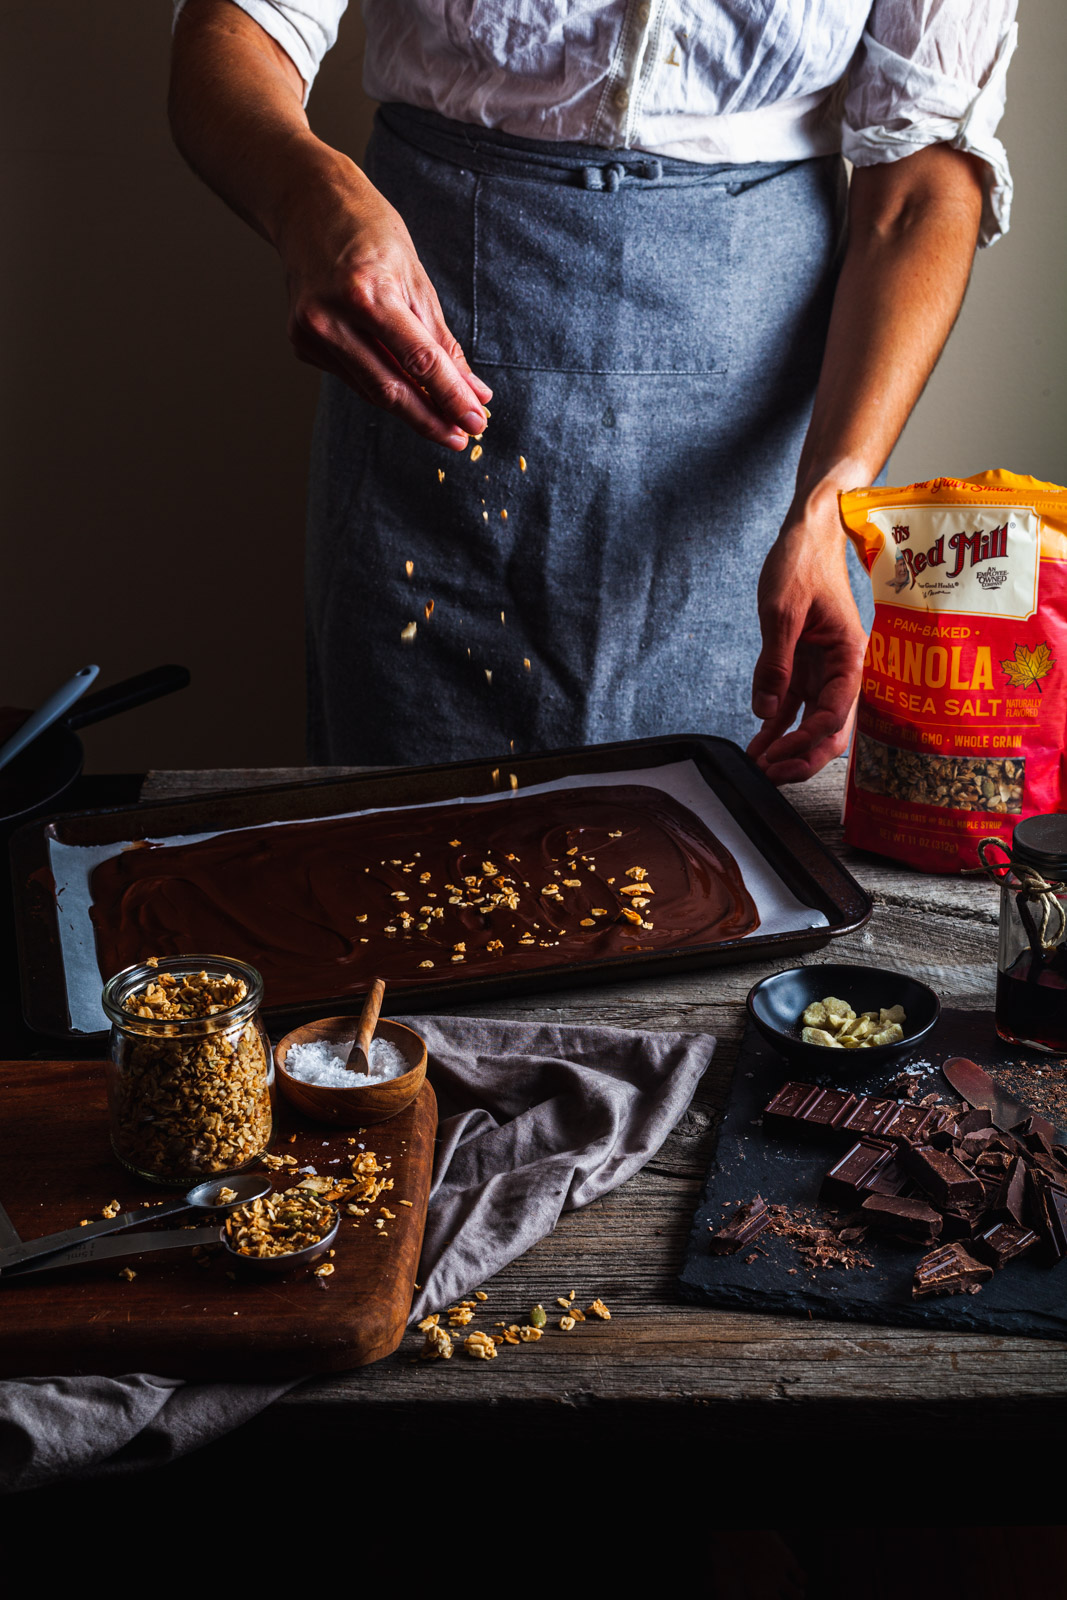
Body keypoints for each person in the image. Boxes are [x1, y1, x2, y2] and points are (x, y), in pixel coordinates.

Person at [169, 1, 1016, 779]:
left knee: (732, 870)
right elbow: (233, 34)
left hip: (756, 467)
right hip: (428, 413)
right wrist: (309, 192)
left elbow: (919, 188)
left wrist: (831, 501)